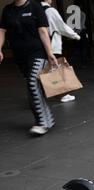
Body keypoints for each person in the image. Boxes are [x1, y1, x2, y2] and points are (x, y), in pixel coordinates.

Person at [0, 0, 58, 136]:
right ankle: (48, 118)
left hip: (38, 53)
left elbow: (43, 31)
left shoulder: (35, 7)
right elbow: (2, 30)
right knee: (35, 86)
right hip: (20, 56)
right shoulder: (7, 10)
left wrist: (50, 53)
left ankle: (41, 122)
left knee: (32, 82)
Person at [41, 0, 80, 103]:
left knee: (44, 69)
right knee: (58, 69)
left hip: (40, 45)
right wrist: (75, 35)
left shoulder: (35, 9)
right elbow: (62, 26)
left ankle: (44, 93)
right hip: (53, 44)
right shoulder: (50, 10)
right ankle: (63, 94)